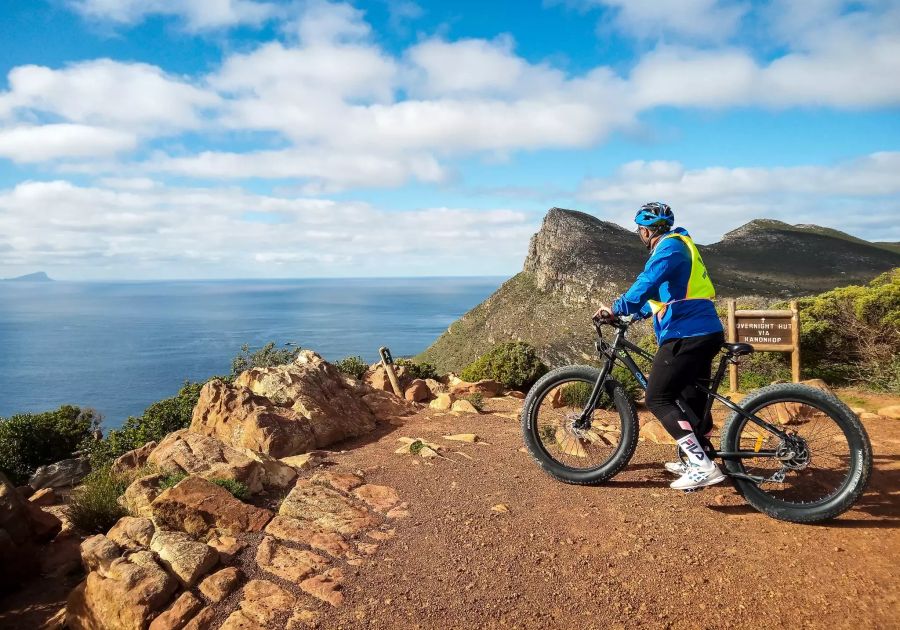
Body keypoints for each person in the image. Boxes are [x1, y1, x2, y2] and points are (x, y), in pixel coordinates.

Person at [594, 202, 726, 491]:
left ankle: (703, 467)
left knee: (657, 397)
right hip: (703, 330)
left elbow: (648, 281)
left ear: (645, 231)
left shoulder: (668, 248)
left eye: (640, 230)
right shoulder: (680, 244)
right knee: (691, 401)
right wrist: (634, 314)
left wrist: (617, 308)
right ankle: (698, 457)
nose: (640, 234)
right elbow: (664, 295)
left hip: (686, 333)